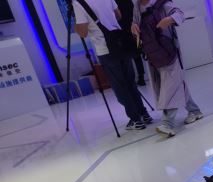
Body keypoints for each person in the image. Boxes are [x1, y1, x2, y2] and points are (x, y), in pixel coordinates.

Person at [74, 0, 152, 130]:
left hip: (105, 49)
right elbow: (118, 15)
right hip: (120, 41)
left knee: (120, 86)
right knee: (130, 82)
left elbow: (83, 33)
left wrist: (76, 25)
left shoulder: (78, 4)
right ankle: (144, 114)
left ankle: (135, 119)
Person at [132, 0, 203, 137]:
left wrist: (169, 19)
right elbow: (135, 22)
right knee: (175, 82)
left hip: (168, 51)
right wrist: (134, 26)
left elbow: (180, 14)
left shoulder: (161, 3)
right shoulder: (137, 6)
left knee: (170, 86)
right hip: (153, 53)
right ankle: (194, 111)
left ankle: (167, 124)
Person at [114, 0, 146, 86]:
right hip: (133, 27)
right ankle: (141, 77)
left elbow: (116, 16)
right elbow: (133, 11)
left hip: (122, 30)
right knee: (137, 54)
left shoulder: (114, 2)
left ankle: (131, 80)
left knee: (127, 56)